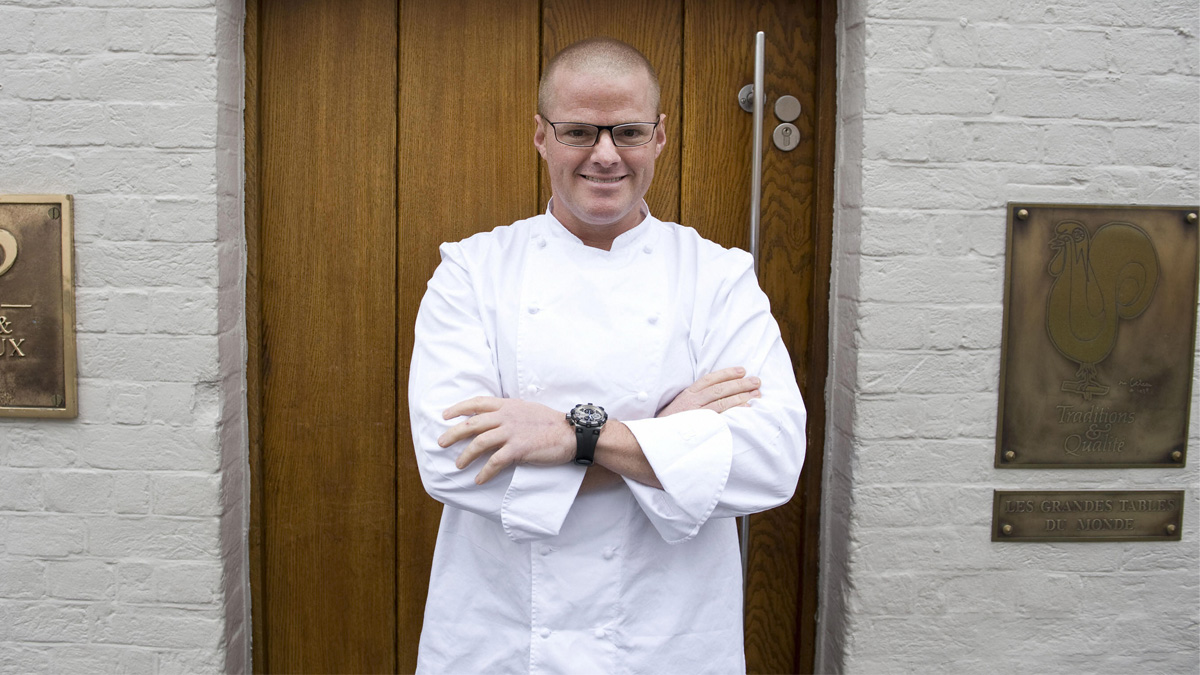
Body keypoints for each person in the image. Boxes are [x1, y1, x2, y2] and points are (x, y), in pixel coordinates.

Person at [409, 37, 807, 674]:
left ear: (659, 136)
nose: (604, 155)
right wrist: (674, 438)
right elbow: (451, 459)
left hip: (665, 638)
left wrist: (574, 438)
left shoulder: (717, 278)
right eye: (577, 132)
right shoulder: (472, 272)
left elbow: (771, 460)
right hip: (505, 636)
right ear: (541, 136)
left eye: (627, 131)